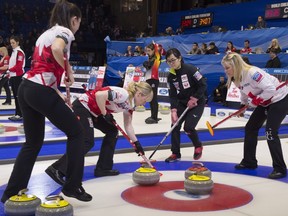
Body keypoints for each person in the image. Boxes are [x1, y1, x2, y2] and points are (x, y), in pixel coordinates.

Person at [1, 0, 93, 203]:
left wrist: (58, 92)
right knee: (77, 133)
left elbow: (44, 67)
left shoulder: (45, 33)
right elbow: (57, 49)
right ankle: (72, 186)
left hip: (27, 89)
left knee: (33, 143)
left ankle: (11, 192)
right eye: (79, 22)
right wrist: (69, 70)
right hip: (39, 89)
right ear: (74, 19)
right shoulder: (66, 32)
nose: (78, 26)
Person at [46, 81, 151, 183]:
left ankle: (103, 168)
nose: (144, 104)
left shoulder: (130, 106)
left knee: (112, 132)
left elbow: (128, 125)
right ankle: (57, 168)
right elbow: (99, 95)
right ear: (139, 94)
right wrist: (105, 114)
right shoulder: (123, 94)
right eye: (145, 100)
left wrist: (136, 143)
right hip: (84, 107)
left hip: (95, 112)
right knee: (87, 141)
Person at [221, 52, 288, 179]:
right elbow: (244, 92)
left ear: (235, 65)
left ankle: (280, 168)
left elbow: (271, 90)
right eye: (224, 68)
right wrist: (243, 105)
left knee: (270, 132)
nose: (226, 71)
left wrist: (257, 99)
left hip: (279, 98)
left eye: (227, 68)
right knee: (250, 128)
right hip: (265, 101)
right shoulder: (236, 78)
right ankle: (249, 161)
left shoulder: (253, 73)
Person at [165, 48, 207, 162]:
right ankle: (175, 153)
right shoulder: (171, 76)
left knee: (188, 127)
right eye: (168, 61)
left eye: (173, 60)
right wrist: (173, 110)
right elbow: (172, 95)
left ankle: (198, 145)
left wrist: (195, 98)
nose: (171, 63)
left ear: (179, 58)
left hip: (197, 102)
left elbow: (203, 84)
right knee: (174, 125)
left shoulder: (191, 69)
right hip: (183, 102)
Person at [7, 35, 25, 121]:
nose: (12, 44)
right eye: (11, 43)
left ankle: (20, 114)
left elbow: (18, 66)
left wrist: (9, 70)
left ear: (17, 42)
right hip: (14, 77)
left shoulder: (19, 52)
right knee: (16, 96)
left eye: (13, 43)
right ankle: (18, 113)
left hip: (18, 77)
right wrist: (9, 74)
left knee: (18, 96)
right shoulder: (14, 52)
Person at [143, 42, 161, 124]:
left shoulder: (157, 57)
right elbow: (147, 66)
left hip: (153, 80)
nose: (148, 52)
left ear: (154, 51)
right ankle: (153, 116)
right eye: (147, 50)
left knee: (153, 99)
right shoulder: (150, 58)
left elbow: (149, 65)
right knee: (151, 99)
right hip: (149, 79)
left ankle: (154, 117)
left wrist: (155, 45)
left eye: (149, 50)